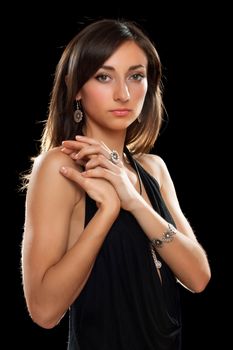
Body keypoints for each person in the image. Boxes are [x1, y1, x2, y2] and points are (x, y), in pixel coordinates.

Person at [21, 18, 211, 350]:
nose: (123, 94)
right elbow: (44, 311)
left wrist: (134, 202)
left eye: (136, 76)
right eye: (104, 77)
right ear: (77, 86)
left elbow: (197, 277)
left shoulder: (154, 168)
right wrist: (107, 211)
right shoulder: (60, 168)